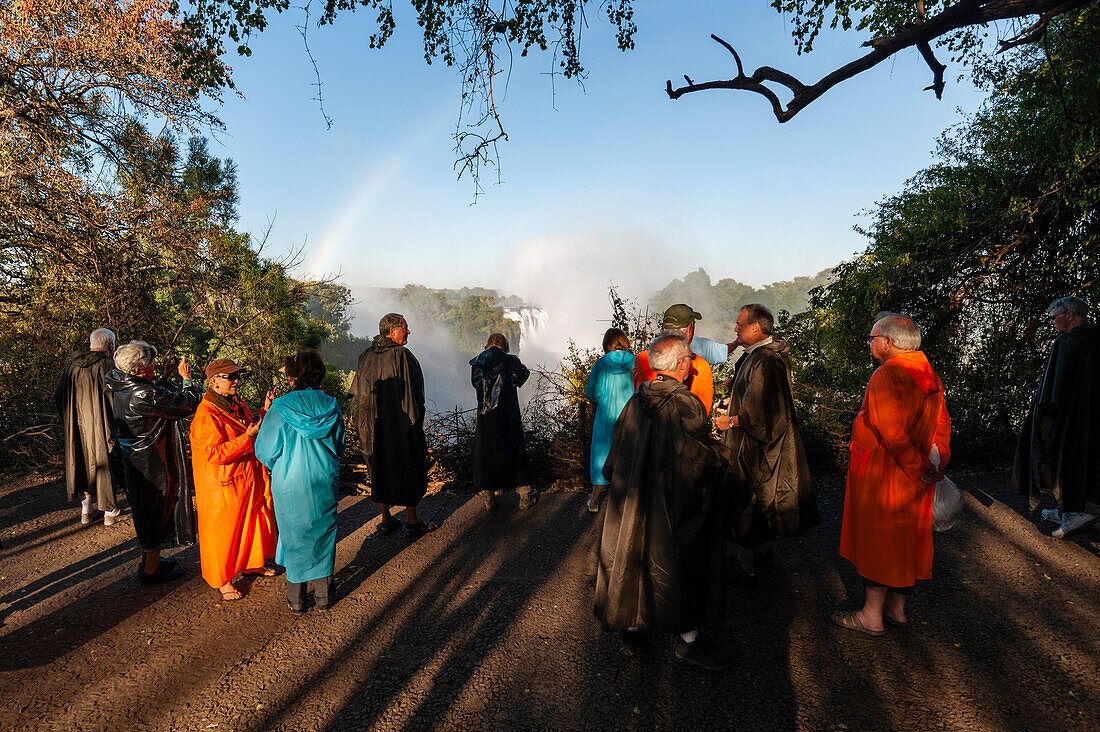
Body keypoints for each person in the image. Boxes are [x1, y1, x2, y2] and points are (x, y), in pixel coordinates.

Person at [594, 334, 731, 671]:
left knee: (633, 562)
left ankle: (632, 631)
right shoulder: (685, 405)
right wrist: (723, 454)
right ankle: (688, 642)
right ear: (680, 365)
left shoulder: (636, 401)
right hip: (670, 505)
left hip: (632, 501)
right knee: (680, 568)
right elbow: (698, 462)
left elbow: (615, 457)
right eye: (689, 362)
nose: (692, 369)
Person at [834, 315, 951, 636]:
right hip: (919, 473)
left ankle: (870, 616)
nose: (870, 344)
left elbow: (891, 430)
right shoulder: (928, 374)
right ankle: (896, 609)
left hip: (886, 471)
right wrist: (935, 461)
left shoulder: (888, 373)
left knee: (880, 541)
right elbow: (942, 425)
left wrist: (917, 465)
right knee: (908, 538)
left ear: (889, 342)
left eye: (872, 338)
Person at [716, 304, 819, 581]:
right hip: (763, 443)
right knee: (757, 500)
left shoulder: (763, 360)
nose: (735, 329)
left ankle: (746, 564)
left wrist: (732, 421)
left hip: (754, 445)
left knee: (746, 501)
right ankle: (760, 552)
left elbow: (758, 412)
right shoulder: (766, 356)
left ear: (756, 328)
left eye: (740, 324)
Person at [255, 349, 345, 612]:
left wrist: (280, 465)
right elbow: (339, 445)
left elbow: (265, 450)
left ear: (293, 377)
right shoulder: (331, 405)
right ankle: (324, 596)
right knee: (324, 533)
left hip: (290, 482)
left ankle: (296, 599)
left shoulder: (281, 407)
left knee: (294, 535)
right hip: (323, 478)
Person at [105, 341, 202, 585]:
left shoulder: (119, 381)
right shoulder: (144, 393)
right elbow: (183, 405)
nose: (153, 364)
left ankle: (152, 562)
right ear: (140, 369)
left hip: (132, 456)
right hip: (151, 461)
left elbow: (151, 396)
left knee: (145, 509)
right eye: (150, 362)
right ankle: (150, 571)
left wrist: (164, 377)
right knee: (155, 512)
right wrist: (187, 380)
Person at [190, 358, 278, 602]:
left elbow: (249, 427)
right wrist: (246, 439)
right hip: (223, 483)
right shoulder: (206, 415)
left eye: (237, 376)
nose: (236, 380)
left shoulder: (235, 403)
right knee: (223, 533)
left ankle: (253, 563)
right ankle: (223, 580)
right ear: (214, 380)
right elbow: (213, 453)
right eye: (230, 377)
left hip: (246, 476)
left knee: (252, 522)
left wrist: (264, 411)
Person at [1014, 296, 1100, 539]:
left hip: (1070, 417)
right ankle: (1072, 509)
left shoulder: (1067, 341)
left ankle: (1073, 512)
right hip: (1092, 416)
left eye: (1054, 317)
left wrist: (1043, 418)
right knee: (1088, 459)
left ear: (1069, 316)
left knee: (1063, 458)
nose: (1052, 323)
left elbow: (1055, 388)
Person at [350, 313, 437, 538]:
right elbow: (415, 395)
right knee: (409, 464)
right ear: (391, 331)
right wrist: (415, 424)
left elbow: (356, 394)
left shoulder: (365, 356)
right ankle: (412, 521)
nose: (408, 332)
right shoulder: (402, 356)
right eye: (405, 328)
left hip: (371, 425)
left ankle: (386, 519)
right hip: (400, 424)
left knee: (377, 466)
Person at [55, 328, 123, 525]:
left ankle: (86, 508)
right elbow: (117, 398)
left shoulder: (71, 366)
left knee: (81, 460)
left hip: (76, 424)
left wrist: (69, 419)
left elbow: (59, 395)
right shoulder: (109, 366)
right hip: (102, 425)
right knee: (106, 460)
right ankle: (110, 511)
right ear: (111, 345)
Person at [470, 333, 534, 510]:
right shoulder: (510, 360)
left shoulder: (477, 363)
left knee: (487, 453)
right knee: (515, 450)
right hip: (508, 413)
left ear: (487, 346)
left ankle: (490, 499)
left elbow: (476, 385)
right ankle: (524, 497)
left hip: (486, 416)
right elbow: (522, 376)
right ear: (505, 347)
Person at [583, 327, 635, 512]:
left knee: (600, 457)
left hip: (605, 416)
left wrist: (597, 399)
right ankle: (626, 503)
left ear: (606, 344)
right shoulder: (636, 363)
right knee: (629, 455)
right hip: (630, 417)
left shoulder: (601, 364)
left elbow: (593, 392)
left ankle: (595, 500)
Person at [633, 304, 715, 414]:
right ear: (689, 329)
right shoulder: (700, 366)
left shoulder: (642, 358)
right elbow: (702, 412)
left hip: (645, 428)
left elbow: (637, 399)